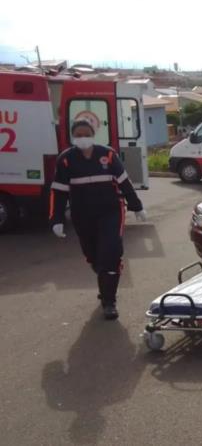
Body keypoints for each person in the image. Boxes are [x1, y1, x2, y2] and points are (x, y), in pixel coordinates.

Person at [50, 120, 147, 320]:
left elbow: (124, 183)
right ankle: (103, 276)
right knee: (93, 256)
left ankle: (109, 301)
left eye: (87, 133)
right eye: (79, 134)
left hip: (111, 211)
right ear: (73, 137)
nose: (83, 137)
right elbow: (58, 192)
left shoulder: (108, 155)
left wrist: (136, 206)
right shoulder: (66, 160)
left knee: (110, 253)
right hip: (82, 215)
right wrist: (56, 219)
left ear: (93, 135)